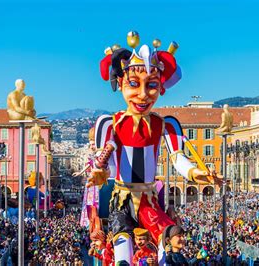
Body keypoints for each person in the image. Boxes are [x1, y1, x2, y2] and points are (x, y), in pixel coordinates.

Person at [87, 31, 221, 265]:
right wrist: (101, 172)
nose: (142, 94)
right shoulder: (110, 123)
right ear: (120, 84)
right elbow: (105, 159)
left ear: (160, 88)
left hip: (148, 199)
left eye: (151, 86)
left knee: (168, 244)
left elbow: (178, 157)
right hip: (122, 198)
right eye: (133, 84)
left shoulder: (165, 124)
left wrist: (196, 173)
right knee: (122, 253)